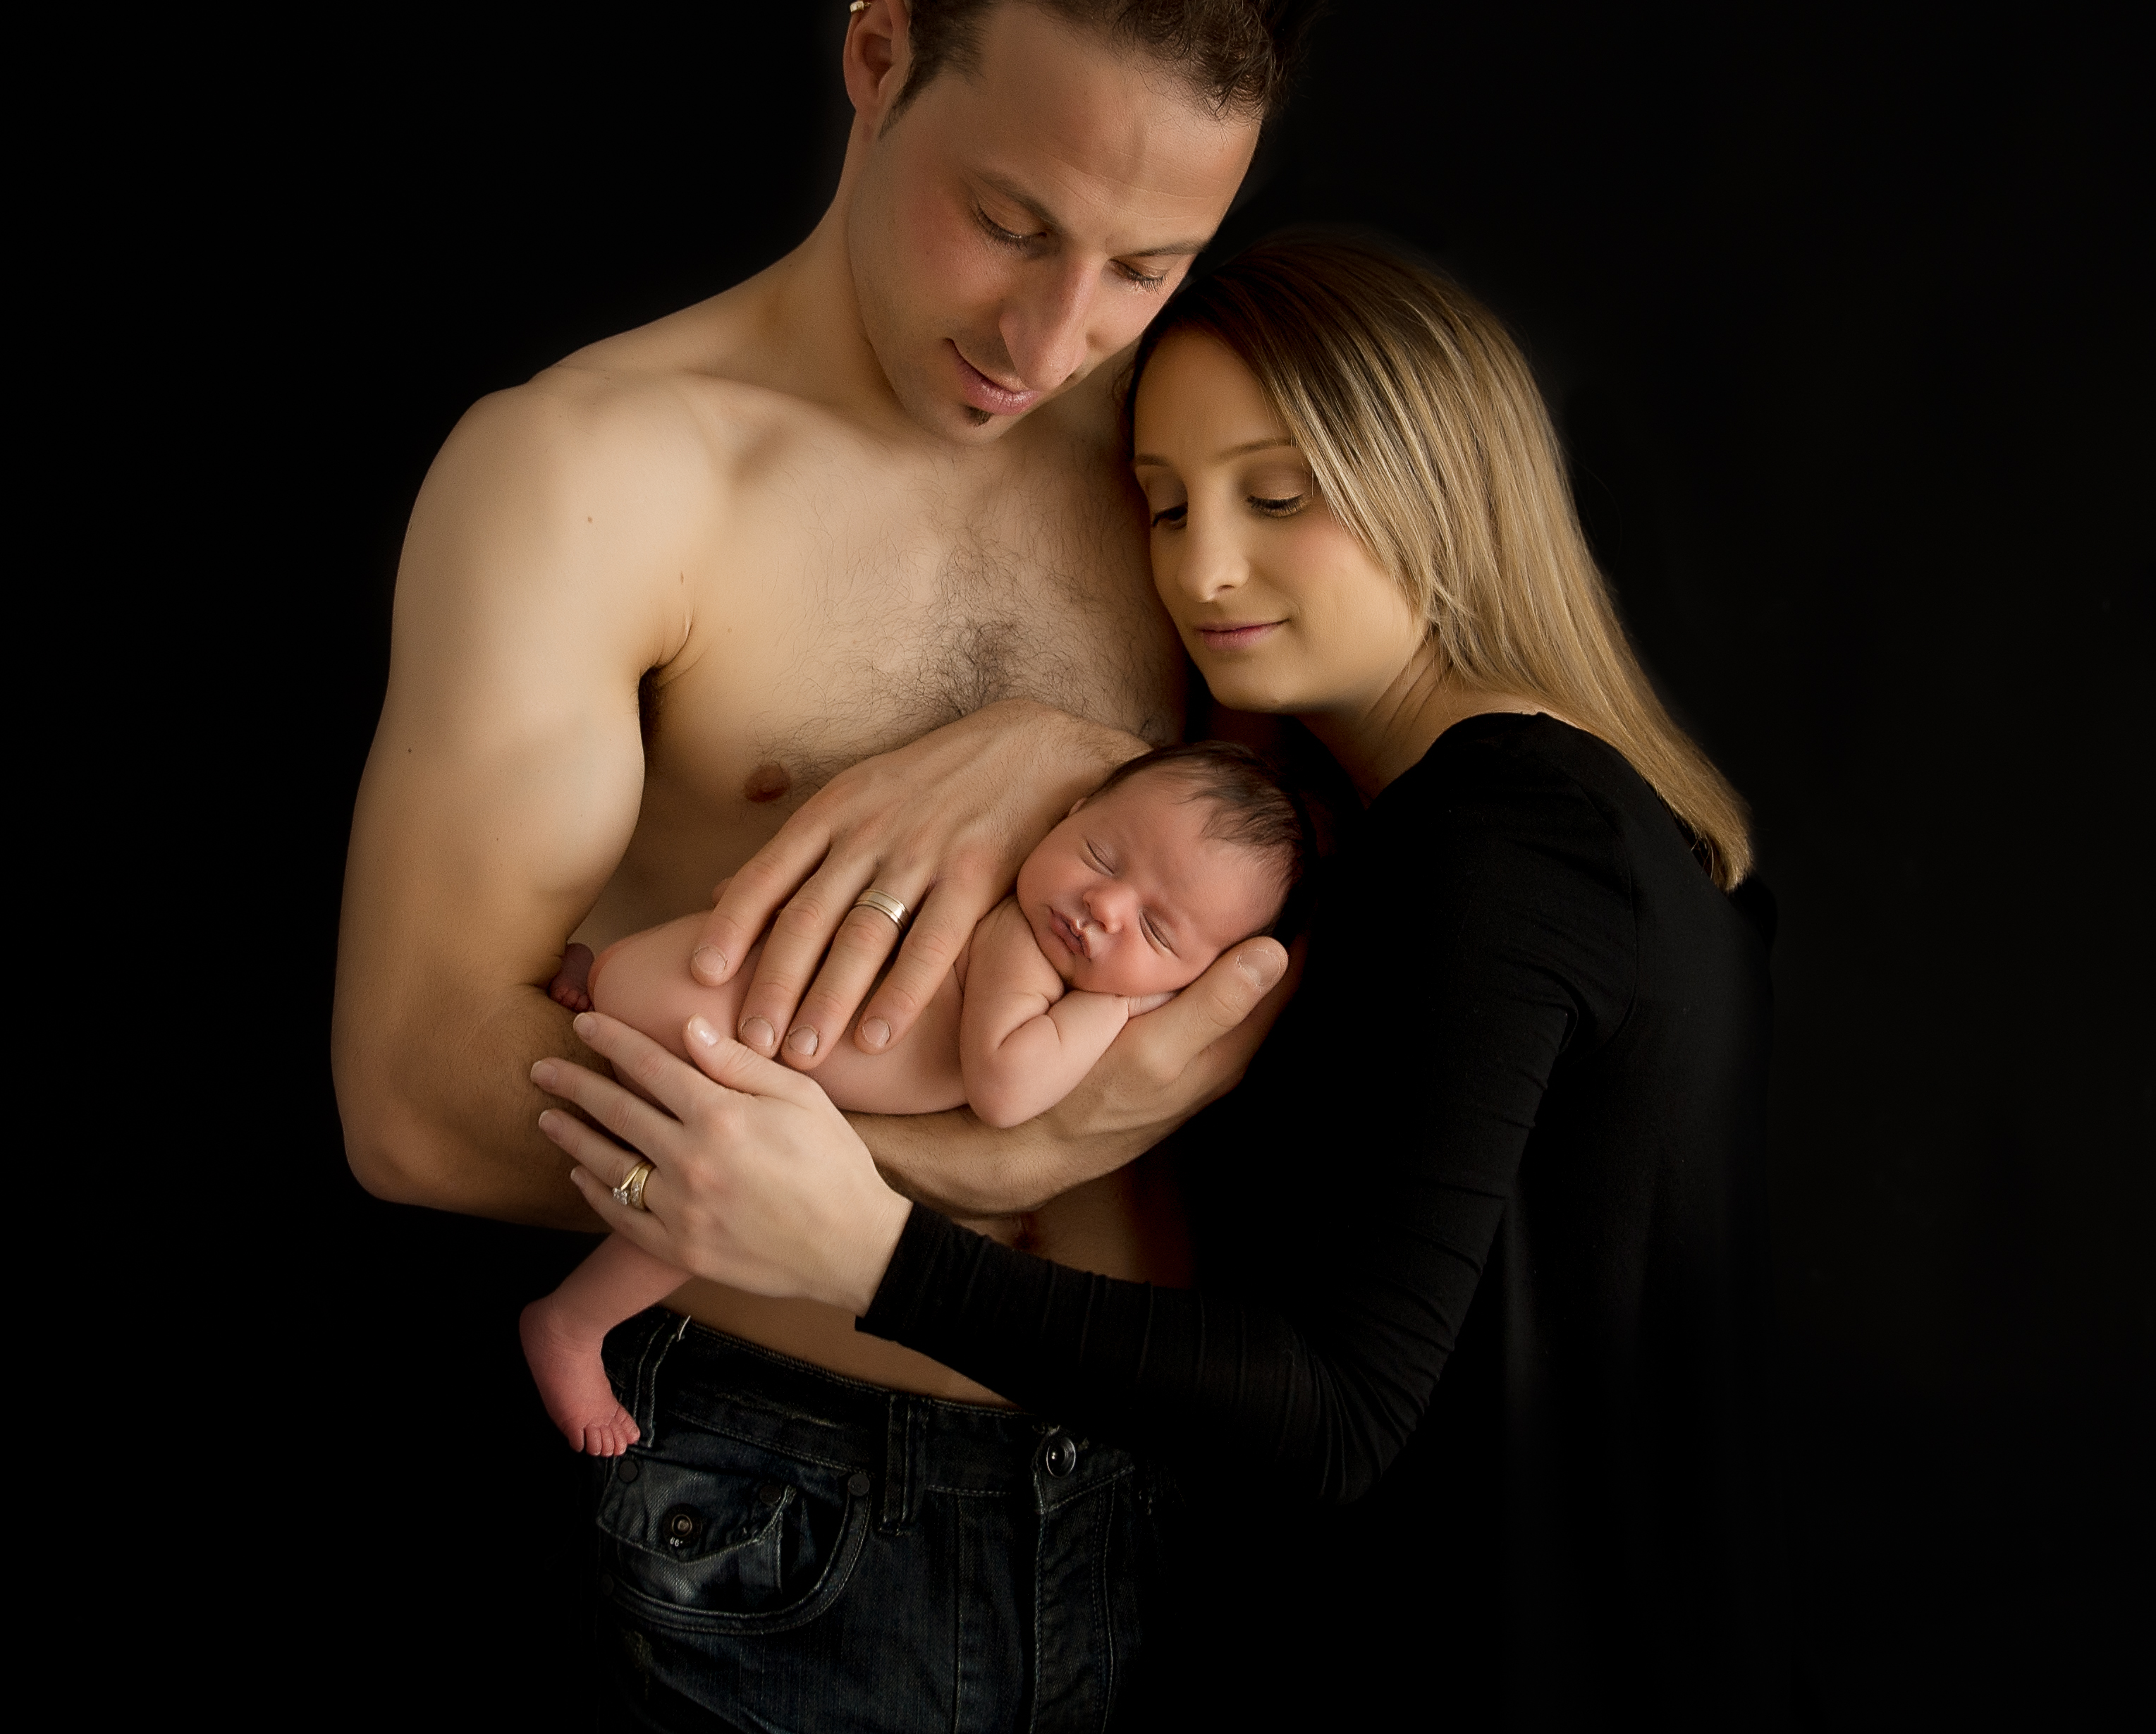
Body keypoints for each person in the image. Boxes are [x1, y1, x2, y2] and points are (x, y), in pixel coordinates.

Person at [333, 0, 1322, 1730]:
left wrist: (1054, 749)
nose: (1053, 333)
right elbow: (418, 1095)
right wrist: (991, 1156)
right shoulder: (594, 474)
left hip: (1172, 1476)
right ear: (876, 53)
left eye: (1142, 267)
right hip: (781, 1513)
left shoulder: (1180, 467)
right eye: (1008, 221)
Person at [535, 232, 1791, 1724]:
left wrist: (872, 1253)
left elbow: (1336, 1412)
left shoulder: (1499, 847)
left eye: (1278, 494)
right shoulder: (1602, 834)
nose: (1202, 566)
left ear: (1438, 488)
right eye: (1162, 501)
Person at [520, 741, 1306, 1457]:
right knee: (703, 1211)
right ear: (1069, 812)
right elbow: (1005, 1089)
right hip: (692, 1048)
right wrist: (1115, 1006)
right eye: (1100, 855)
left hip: (664, 977)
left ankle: (593, 975)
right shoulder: (1017, 944)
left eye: (1158, 934)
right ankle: (571, 1322)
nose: (1104, 908)